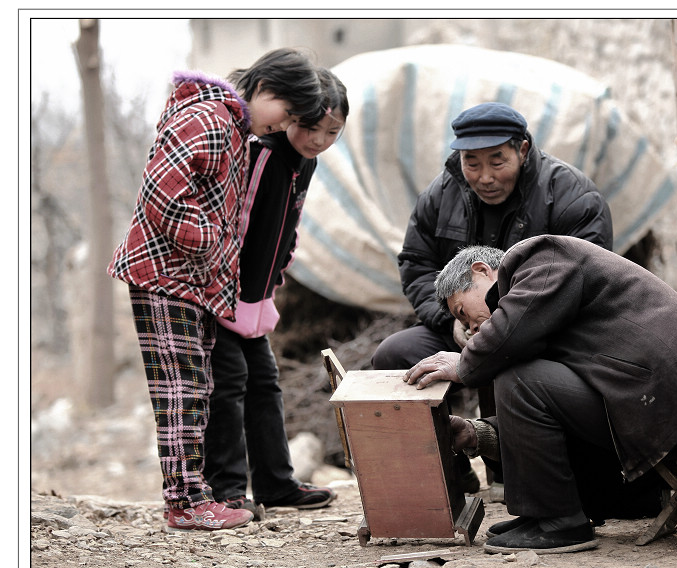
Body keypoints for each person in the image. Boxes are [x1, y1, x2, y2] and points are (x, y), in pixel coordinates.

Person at [403, 237, 677, 554]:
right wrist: (478, 434)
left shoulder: (538, 257)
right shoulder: (542, 305)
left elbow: (508, 344)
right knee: (520, 374)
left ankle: (560, 522)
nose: (470, 328)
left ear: (481, 270)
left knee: (516, 375)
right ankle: (543, 515)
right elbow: (554, 403)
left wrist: (464, 362)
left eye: (463, 312)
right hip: (670, 401)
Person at [108, 48, 324, 531]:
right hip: (165, 276)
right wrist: (212, 242)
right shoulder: (206, 118)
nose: (281, 125)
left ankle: (194, 495)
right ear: (265, 87)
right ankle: (185, 504)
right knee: (181, 390)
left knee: (196, 388)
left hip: (191, 281)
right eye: (285, 113)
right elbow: (160, 194)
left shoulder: (231, 125)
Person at [372, 101, 612, 492]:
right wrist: (451, 321)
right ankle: (447, 469)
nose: (484, 177)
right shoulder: (442, 192)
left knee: (502, 359)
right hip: (459, 326)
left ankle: (513, 475)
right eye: (472, 163)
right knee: (395, 355)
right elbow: (416, 263)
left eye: (497, 161)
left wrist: (498, 329)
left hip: (544, 333)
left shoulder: (569, 193)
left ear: (522, 149)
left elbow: (584, 282)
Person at [202, 69, 349, 518]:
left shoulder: (306, 161)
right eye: (310, 126)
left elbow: (288, 229)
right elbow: (239, 223)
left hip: (256, 299)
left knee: (264, 383)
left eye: (332, 132)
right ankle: (225, 488)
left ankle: (275, 483)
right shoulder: (263, 152)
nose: (319, 139)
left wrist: (273, 283)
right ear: (291, 117)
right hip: (224, 296)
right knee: (228, 387)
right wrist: (229, 292)